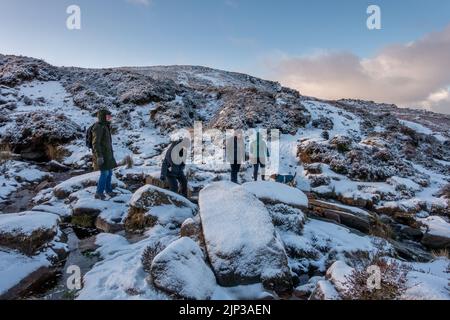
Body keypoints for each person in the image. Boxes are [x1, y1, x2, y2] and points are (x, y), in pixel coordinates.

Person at [92, 108, 117, 200]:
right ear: (103, 117)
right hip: (102, 155)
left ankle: (109, 191)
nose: (110, 118)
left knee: (109, 173)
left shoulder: (105, 126)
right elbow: (95, 143)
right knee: (104, 174)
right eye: (108, 116)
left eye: (110, 116)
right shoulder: (98, 127)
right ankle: (98, 193)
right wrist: (99, 156)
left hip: (107, 154)